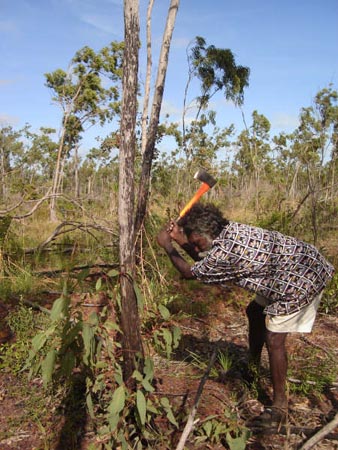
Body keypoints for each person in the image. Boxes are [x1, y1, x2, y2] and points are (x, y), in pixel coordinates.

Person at [157, 203, 334, 426]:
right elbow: (206, 259)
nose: (193, 245)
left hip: (302, 277)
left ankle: (280, 406)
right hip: (289, 266)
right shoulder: (226, 229)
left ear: (207, 235)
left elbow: (191, 272)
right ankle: (252, 365)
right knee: (255, 311)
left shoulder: (228, 252)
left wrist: (168, 245)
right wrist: (181, 238)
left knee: (275, 338)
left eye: (195, 241)